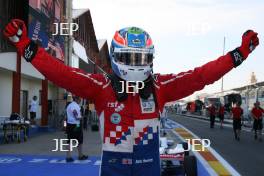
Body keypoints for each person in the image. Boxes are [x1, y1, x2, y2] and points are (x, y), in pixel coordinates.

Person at [3, 19, 259, 176]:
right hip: (113, 171)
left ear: (150, 58)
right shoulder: (99, 86)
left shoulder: (162, 86)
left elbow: (201, 75)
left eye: (140, 58)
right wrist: (25, 45)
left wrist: (238, 55)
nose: (135, 64)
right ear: (116, 57)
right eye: (129, 57)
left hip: (149, 170)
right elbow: (61, 73)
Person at [65, 95, 88, 162]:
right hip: (76, 124)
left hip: (69, 124)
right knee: (79, 140)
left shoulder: (69, 105)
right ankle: (80, 155)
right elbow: (76, 117)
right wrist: (83, 117)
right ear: (77, 99)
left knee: (69, 140)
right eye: (80, 99)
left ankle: (68, 157)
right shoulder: (75, 106)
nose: (80, 100)